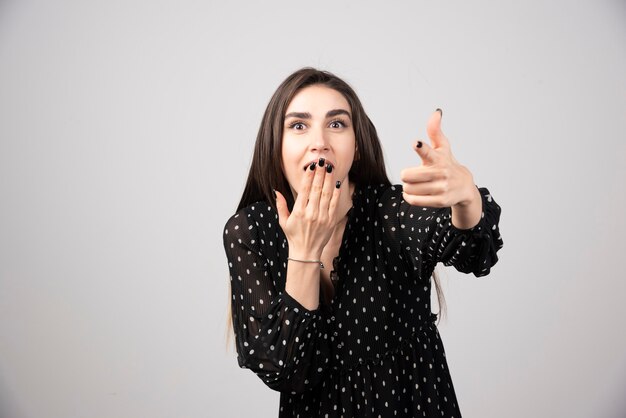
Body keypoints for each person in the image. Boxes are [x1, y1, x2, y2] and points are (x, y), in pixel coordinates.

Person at [223, 67, 503, 417]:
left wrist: (466, 200)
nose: (320, 140)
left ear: (356, 149)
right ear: (276, 147)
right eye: (298, 125)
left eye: (337, 124)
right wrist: (305, 253)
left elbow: (474, 251)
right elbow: (284, 368)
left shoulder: (392, 212)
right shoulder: (250, 232)